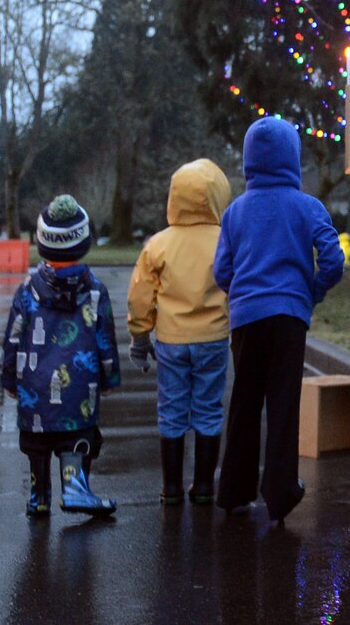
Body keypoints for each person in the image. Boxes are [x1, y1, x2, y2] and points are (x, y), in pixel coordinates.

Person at [212, 114, 346, 523]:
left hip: (246, 320)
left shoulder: (235, 211)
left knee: (245, 403)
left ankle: (234, 490)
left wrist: (243, 295)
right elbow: (333, 261)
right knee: (284, 403)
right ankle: (280, 491)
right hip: (289, 316)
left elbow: (221, 271)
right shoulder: (307, 206)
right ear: (293, 157)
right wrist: (312, 292)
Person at [0, 194, 124, 517]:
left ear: (42, 244)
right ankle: (74, 488)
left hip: (34, 385)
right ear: (84, 243)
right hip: (79, 387)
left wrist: (9, 377)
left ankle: (38, 496)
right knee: (78, 437)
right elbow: (104, 338)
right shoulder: (95, 290)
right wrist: (109, 377)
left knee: (37, 443)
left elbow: (13, 336)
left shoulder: (28, 289)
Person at [128, 158, 234, 506]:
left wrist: (141, 337)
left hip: (172, 340)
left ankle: (171, 487)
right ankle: (204, 485)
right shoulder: (225, 239)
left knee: (172, 409)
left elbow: (141, 295)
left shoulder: (159, 244)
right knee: (207, 408)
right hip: (213, 338)